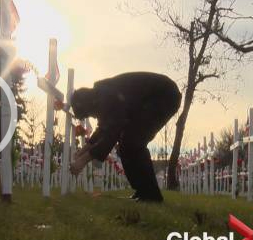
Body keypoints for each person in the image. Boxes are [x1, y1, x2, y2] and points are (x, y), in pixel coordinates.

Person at [69, 72, 181, 202]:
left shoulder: (107, 97)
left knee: (133, 140)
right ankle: (142, 191)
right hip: (153, 98)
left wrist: (83, 161)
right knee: (127, 142)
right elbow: (103, 129)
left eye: (89, 114)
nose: (93, 117)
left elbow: (112, 133)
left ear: (90, 104)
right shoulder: (101, 96)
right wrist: (82, 151)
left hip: (164, 95)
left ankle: (151, 195)